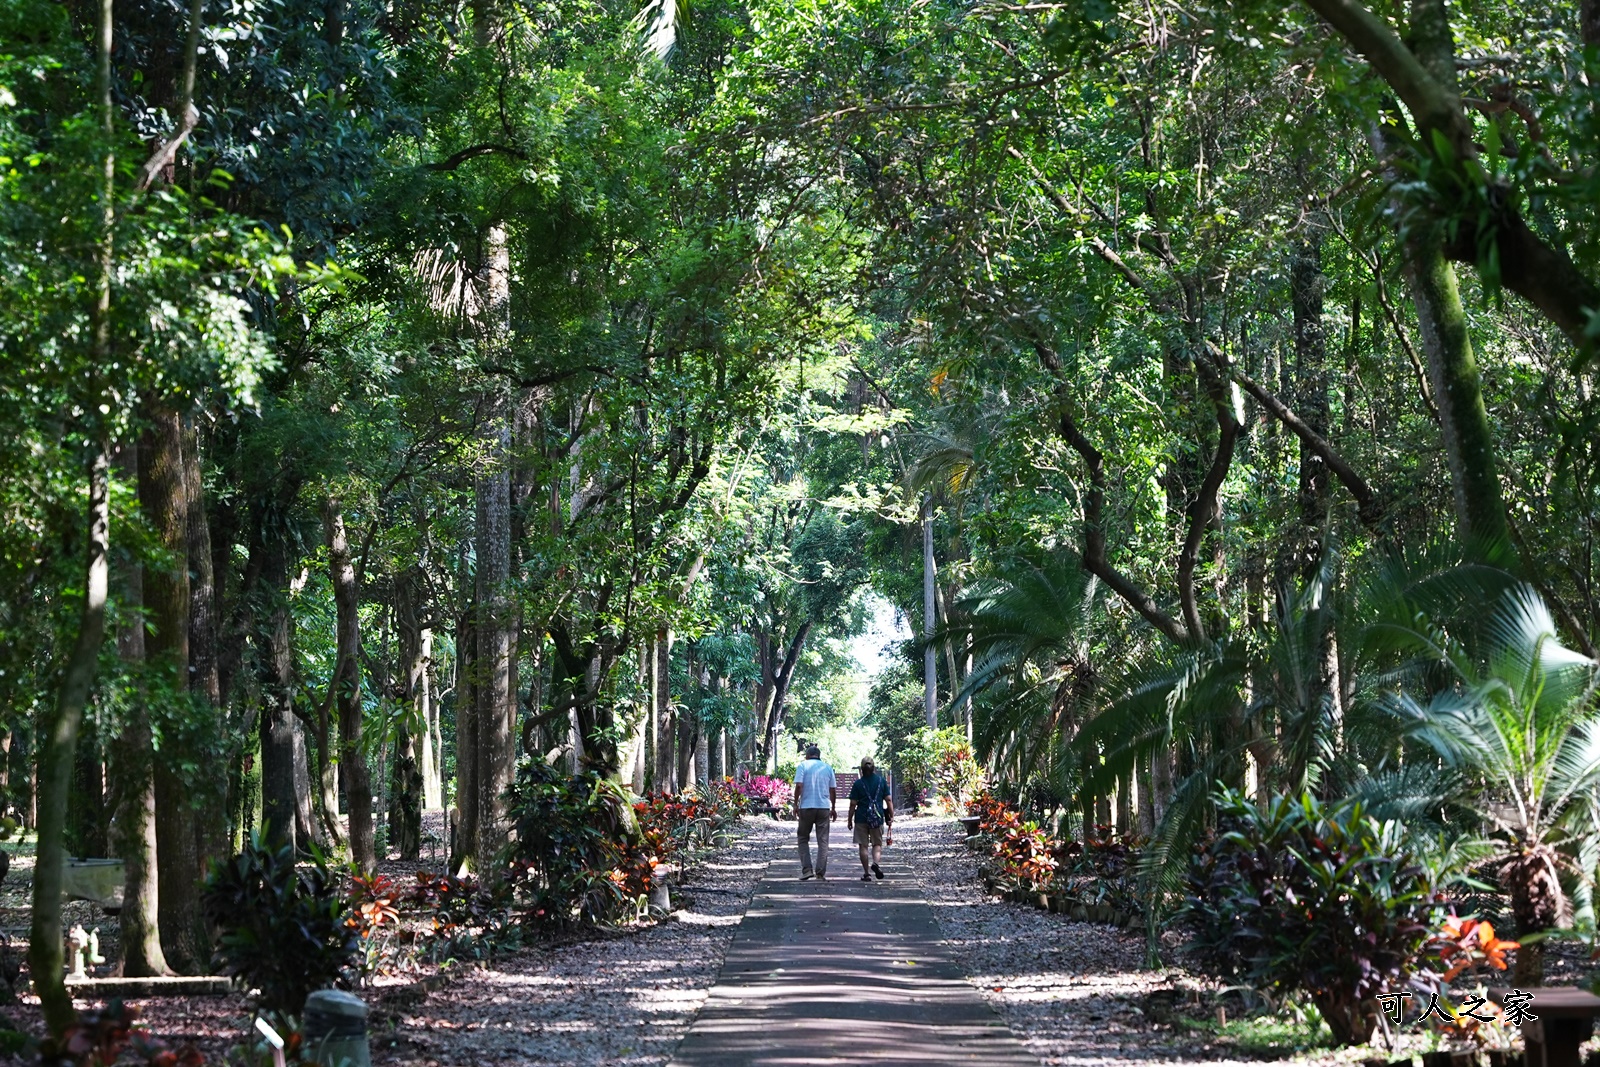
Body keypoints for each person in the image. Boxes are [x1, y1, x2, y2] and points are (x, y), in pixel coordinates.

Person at [792, 743, 837, 881]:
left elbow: (799, 785)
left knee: (803, 838)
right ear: (819, 756)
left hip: (806, 806)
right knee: (823, 841)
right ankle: (820, 872)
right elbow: (833, 790)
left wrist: (795, 804)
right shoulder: (827, 768)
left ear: (807, 755)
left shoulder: (803, 766)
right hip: (823, 807)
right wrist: (833, 807)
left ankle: (807, 870)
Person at [846, 757, 894, 881]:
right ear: (874, 768)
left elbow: (853, 804)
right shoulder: (881, 781)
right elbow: (888, 800)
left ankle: (867, 873)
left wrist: (849, 819)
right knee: (877, 844)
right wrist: (891, 815)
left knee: (863, 846)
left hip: (861, 818)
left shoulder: (858, 784)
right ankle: (876, 863)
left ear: (861, 769)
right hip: (877, 817)